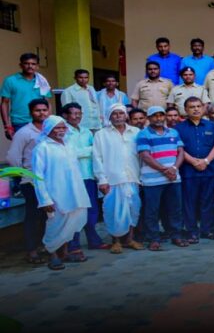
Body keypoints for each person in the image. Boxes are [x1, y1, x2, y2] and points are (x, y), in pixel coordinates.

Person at [32, 116, 90, 270]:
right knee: (55, 224)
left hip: (74, 191)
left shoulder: (68, 144)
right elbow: (37, 176)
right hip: (55, 193)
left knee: (71, 223)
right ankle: (53, 255)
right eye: (57, 127)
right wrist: (45, 200)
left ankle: (64, 253)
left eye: (63, 127)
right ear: (48, 129)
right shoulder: (42, 148)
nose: (61, 130)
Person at [136, 106, 188, 250]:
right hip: (152, 181)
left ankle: (176, 235)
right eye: (154, 115)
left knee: (175, 209)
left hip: (173, 178)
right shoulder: (143, 134)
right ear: (149, 118)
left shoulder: (173, 132)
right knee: (152, 211)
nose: (158, 118)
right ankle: (153, 238)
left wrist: (174, 168)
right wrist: (165, 170)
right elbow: (145, 156)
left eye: (161, 115)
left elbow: (180, 152)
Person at [93, 104, 143, 253]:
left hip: (133, 178)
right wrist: (102, 179)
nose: (118, 116)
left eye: (121, 113)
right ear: (109, 116)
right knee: (113, 212)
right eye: (114, 114)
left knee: (133, 210)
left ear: (126, 115)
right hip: (112, 180)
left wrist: (141, 176)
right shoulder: (101, 134)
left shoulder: (136, 132)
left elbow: (142, 156)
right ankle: (116, 241)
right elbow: (97, 158)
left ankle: (130, 239)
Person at [174, 97, 214, 243]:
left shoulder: (211, 126)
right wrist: (193, 161)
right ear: (185, 110)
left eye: (198, 106)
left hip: (209, 169)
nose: (196, 109)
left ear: (203, 108)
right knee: (189, 202)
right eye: (192, 107)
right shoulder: (178, 128)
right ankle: (191, 232)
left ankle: (207, 230)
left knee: (208, 200)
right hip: (188, 171)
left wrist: (206, 161)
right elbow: (179, 148)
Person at [7, 98, 50, 264]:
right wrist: (24, 174)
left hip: (49, 180)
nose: (41, 113)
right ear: (31, 112)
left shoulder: (51, 129)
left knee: (48, 216)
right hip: (31, 181)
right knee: (33, 216)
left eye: (44, 110)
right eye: (38, 110)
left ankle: (44, 246)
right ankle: (31, 251)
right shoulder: (24, 132)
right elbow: (12, 157)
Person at [61, 103, 108, 253]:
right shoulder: (63, 132)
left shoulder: (86, 131)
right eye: (73, 113)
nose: (77, 116)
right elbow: (70, 154)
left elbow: (95, 153)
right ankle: (73, 244)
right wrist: (90, 150)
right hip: (74, 178)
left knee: (92, 210)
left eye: (79, 113)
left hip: (89, 176)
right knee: (75, 211)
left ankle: (94, 240)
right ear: (65, 115)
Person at [2, 53, 52, 139]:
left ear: (37, 66)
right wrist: (7, 126)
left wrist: (49, 121)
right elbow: (4, 103)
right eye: (26, 63)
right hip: (19, 122)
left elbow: (47, 102)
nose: (30, 66)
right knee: (22, 147)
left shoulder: (42, 81)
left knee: (41, 147)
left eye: (33, 64)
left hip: (40, 121)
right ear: (21, 65)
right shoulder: (10, 80)